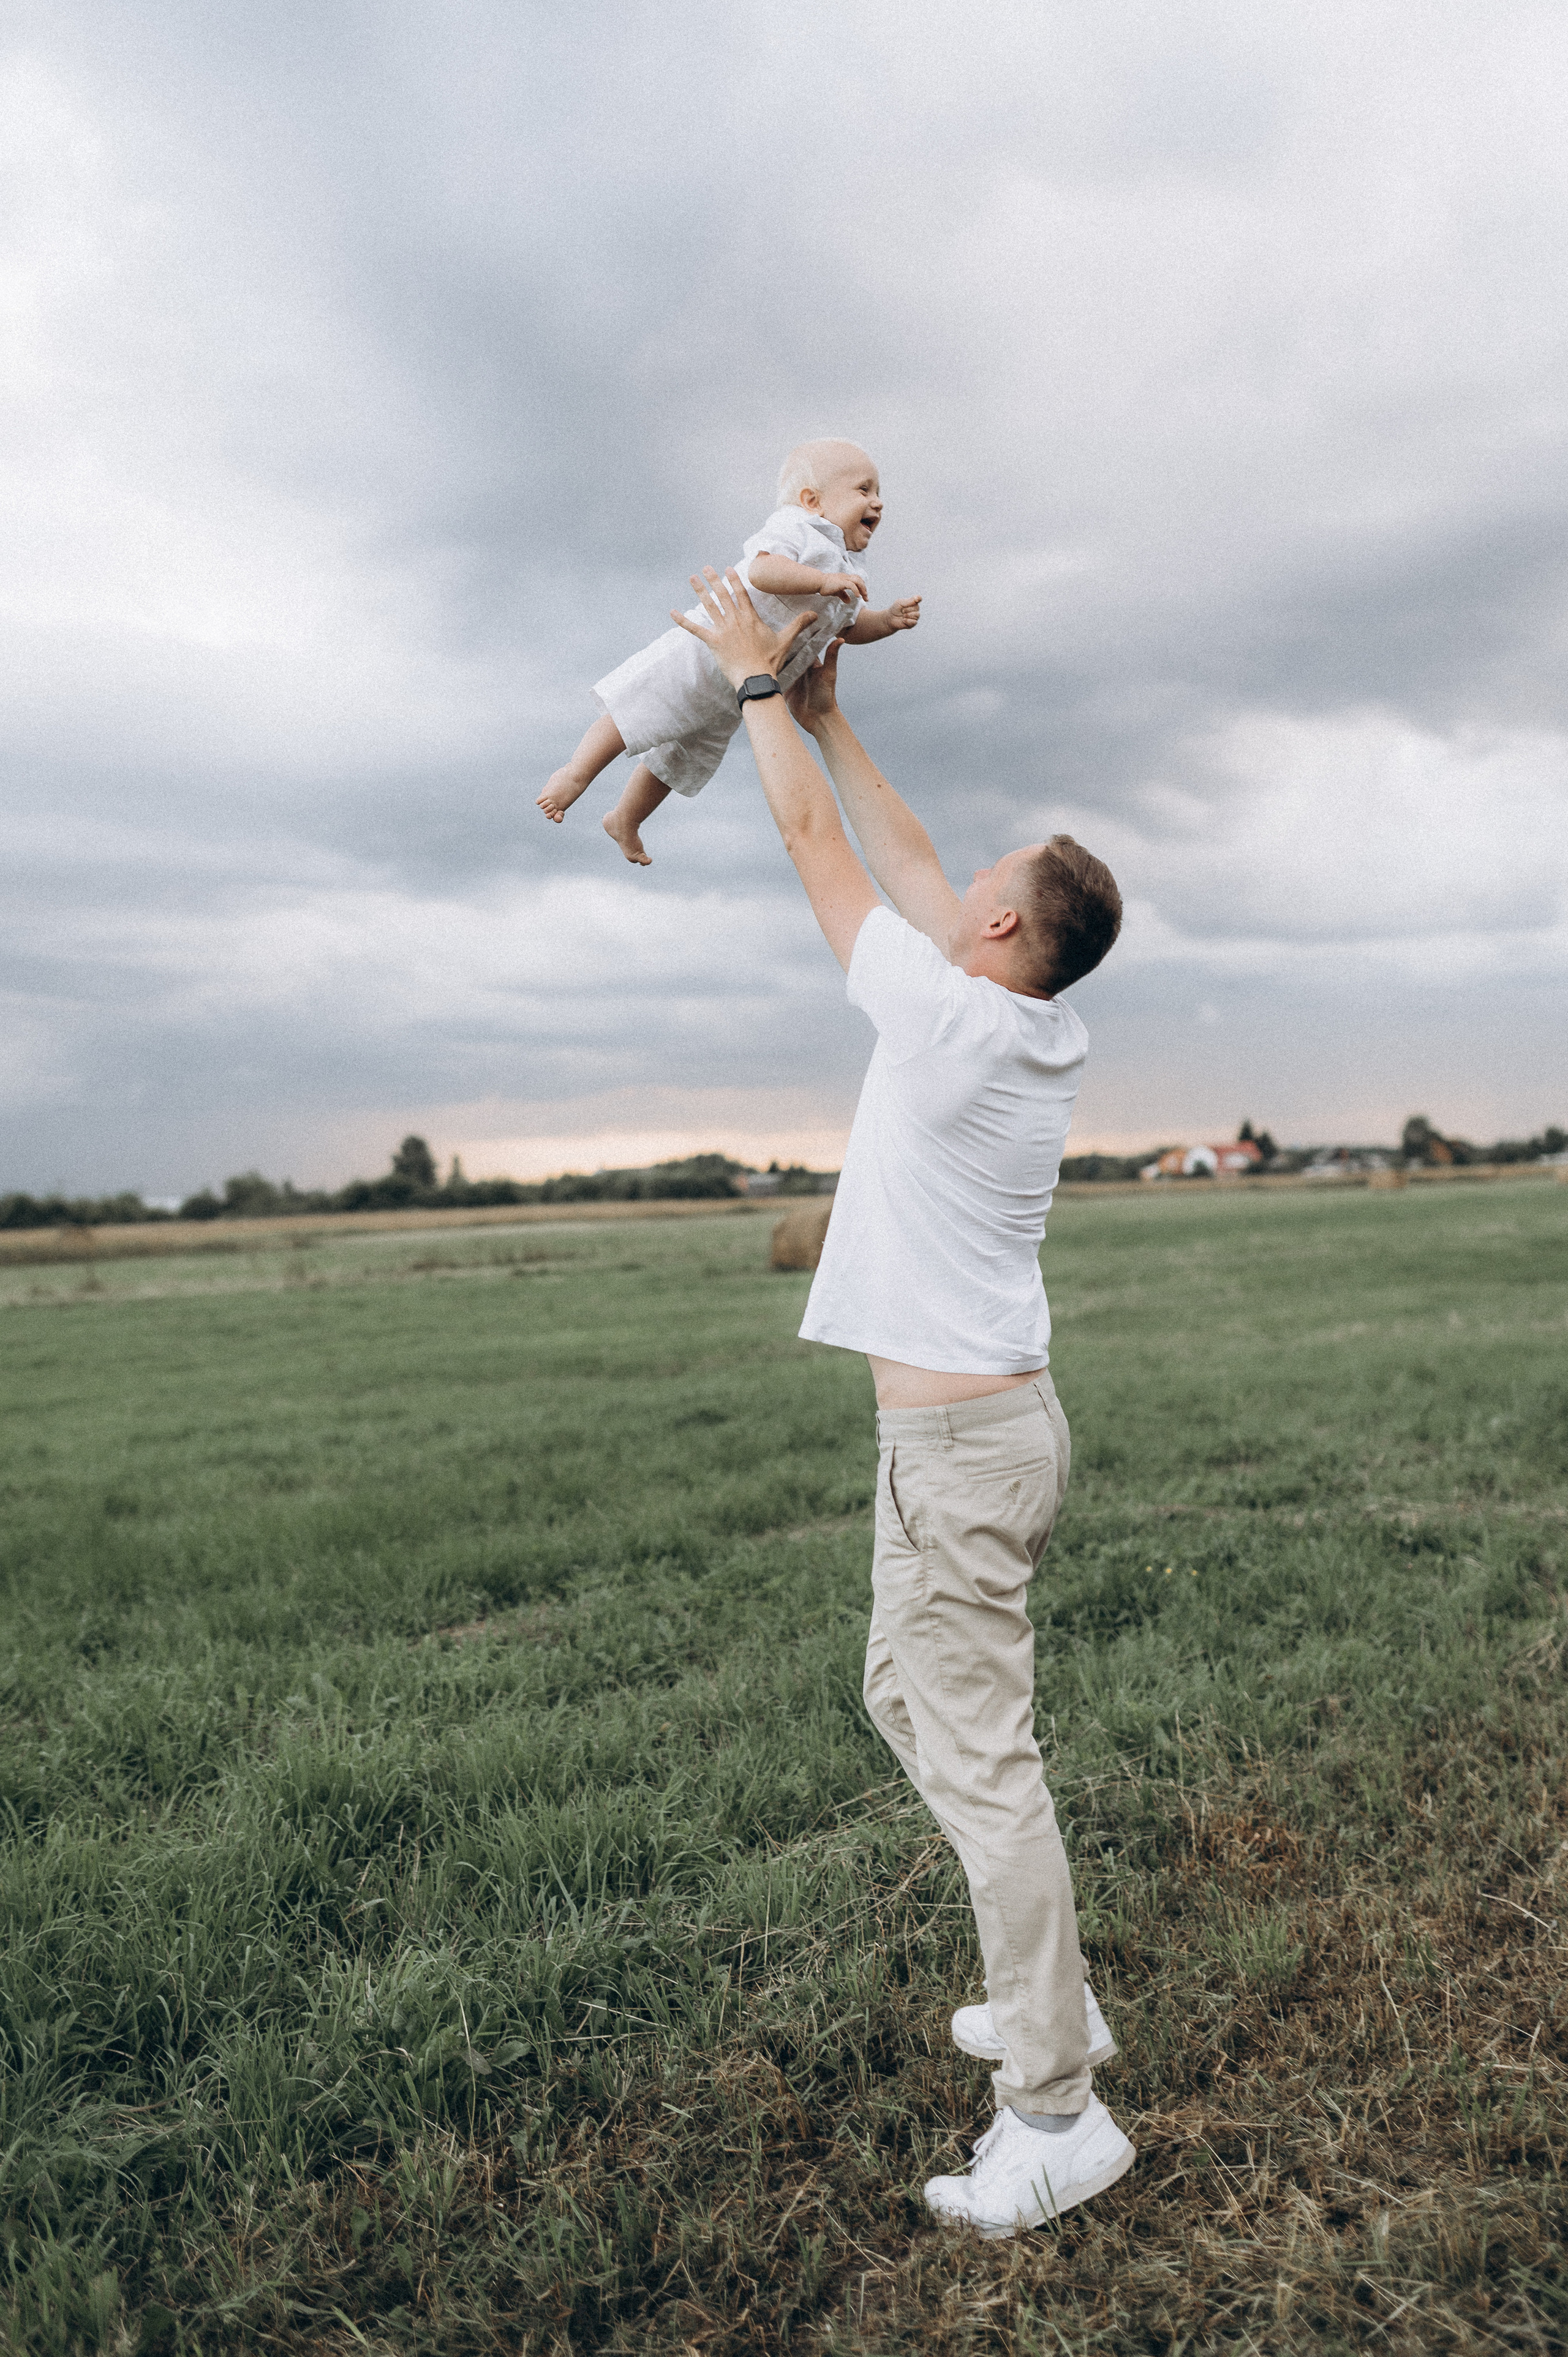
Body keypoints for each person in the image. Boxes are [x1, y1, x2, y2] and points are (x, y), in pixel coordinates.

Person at [673, 568, 1133, 2240]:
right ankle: (1040, 1983)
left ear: (1000, 935)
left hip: (962, 1448)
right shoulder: (1021, 1016)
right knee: (900, 1692)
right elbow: (912, 855)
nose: (956, 888)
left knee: (990, 1771)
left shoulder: (946, 1022)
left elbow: (823, 852)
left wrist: (751, 690)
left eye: (982, 889)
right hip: (968, 1436)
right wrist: (831, 711)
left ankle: (1056, 2106)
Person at [537, 439, 921, 864]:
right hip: (707, 652)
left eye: (879, 492)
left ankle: (626, 818)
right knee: (641, 707)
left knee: (684, 757)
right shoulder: (799, 528)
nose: (878, 502)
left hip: (744, 685)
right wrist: (821, 581)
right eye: (864, 490)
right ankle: (576, 772)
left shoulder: (850, 568)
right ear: (812, 500)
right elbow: (763, 569)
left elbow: (849, 625)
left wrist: (885, 620)